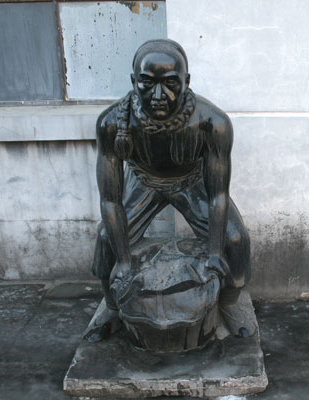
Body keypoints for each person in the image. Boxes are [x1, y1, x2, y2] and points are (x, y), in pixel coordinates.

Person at [84, 39, 252, 342]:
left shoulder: (213, 122)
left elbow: (218, 196)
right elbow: (110, 199)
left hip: (192, 182)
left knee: (236, 240)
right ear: (134, 81)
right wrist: (123, 261)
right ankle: (111, 307)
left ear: (186, 82)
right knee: (106, 238)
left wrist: (215, 253)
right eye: (147, 84)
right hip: (143, 180)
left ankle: (229, 303)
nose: (159, 95)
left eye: (171, 83)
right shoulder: (111, 123)